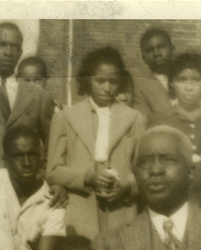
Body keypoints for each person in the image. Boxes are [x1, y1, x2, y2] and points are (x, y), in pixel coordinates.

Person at [47, 47, 147, 239]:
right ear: (87, 80)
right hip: (79, 208)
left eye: (113, 81)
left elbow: (143, 170)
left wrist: (126, 187)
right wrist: (88, 178)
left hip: (121, 210)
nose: (107, 88)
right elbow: (53, 171)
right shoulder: (66, 117)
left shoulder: (135, 119)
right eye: (100, 81)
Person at [150, 52, 201, 216]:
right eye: (182, 80)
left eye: (195, 80)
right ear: (172, 83)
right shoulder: (160, 120)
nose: (189, 87)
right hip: (171, 199)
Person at [0, 126, 66, 250]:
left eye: (32, 154)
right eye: (18, 156)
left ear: (42, 157)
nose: (26, 163)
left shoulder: (54, 201)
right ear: (6, 159)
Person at [0, 23, 55, 171]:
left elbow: (51, 147)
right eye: (1, 45)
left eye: (14, 47)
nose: (8, 52)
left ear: (20, 52)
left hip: (25, 186)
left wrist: (42, 176)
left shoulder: (40, 96)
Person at [133, 28, 176, 120]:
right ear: (144, 58)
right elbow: (145, 120)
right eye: (149, 50)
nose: (156, 54)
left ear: (172, 49)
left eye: (161, 47)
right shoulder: (140, 89)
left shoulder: (188, 78)